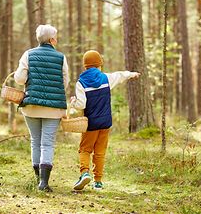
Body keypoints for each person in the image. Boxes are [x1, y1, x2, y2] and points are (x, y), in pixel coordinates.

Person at [70, 50, 140, 191]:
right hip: (105, 122)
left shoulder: (81, 83)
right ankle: (98, 181)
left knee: (85, 149)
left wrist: (73, 102)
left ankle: (84, 173)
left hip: (91, 124)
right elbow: (120, 75)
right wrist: (132, 74)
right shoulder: (106, 78)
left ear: (85, 67)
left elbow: (81, 105)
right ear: (99, 65)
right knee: (100, 152)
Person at [14, 24, 69, 192]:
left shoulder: (28, 54)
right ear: (51, 39)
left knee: (35, 141)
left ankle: (38, 179)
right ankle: (44, 183)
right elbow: (64, 82)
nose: (57, 39)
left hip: (31, 107)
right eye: (56, 36)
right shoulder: (61, 57)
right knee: (47, 143)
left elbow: (20, 79)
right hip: (53, 109)